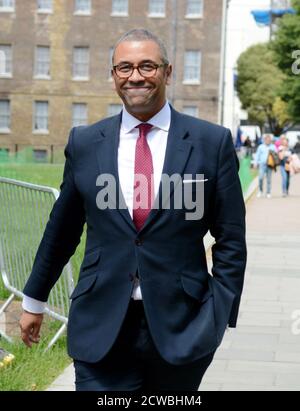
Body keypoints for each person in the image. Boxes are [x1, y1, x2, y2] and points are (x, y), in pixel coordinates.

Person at [19, 29, 247, 391]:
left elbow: (231, 238)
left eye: (147, 66)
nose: (135, 76)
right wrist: (34, 299)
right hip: (101, 324)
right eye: (124, 67)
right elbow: (61, 231)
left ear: (167, 72)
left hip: (182, 329)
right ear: (113, 76)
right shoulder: (85, 143)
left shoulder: (210, 142)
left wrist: (220, 314)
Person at [254, 134, 276, 198]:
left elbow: (276, 155)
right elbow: (257, 155)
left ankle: (268, 192)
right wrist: (255, 163)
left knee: (269, 179)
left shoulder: (273, 147)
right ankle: (260, 191)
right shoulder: (261, 147)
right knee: (260, 178)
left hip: (270, 165)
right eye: (266, 139)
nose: (268, 140)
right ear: (264, 140)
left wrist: (275, 164)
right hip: (262, 164)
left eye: (269, 139)